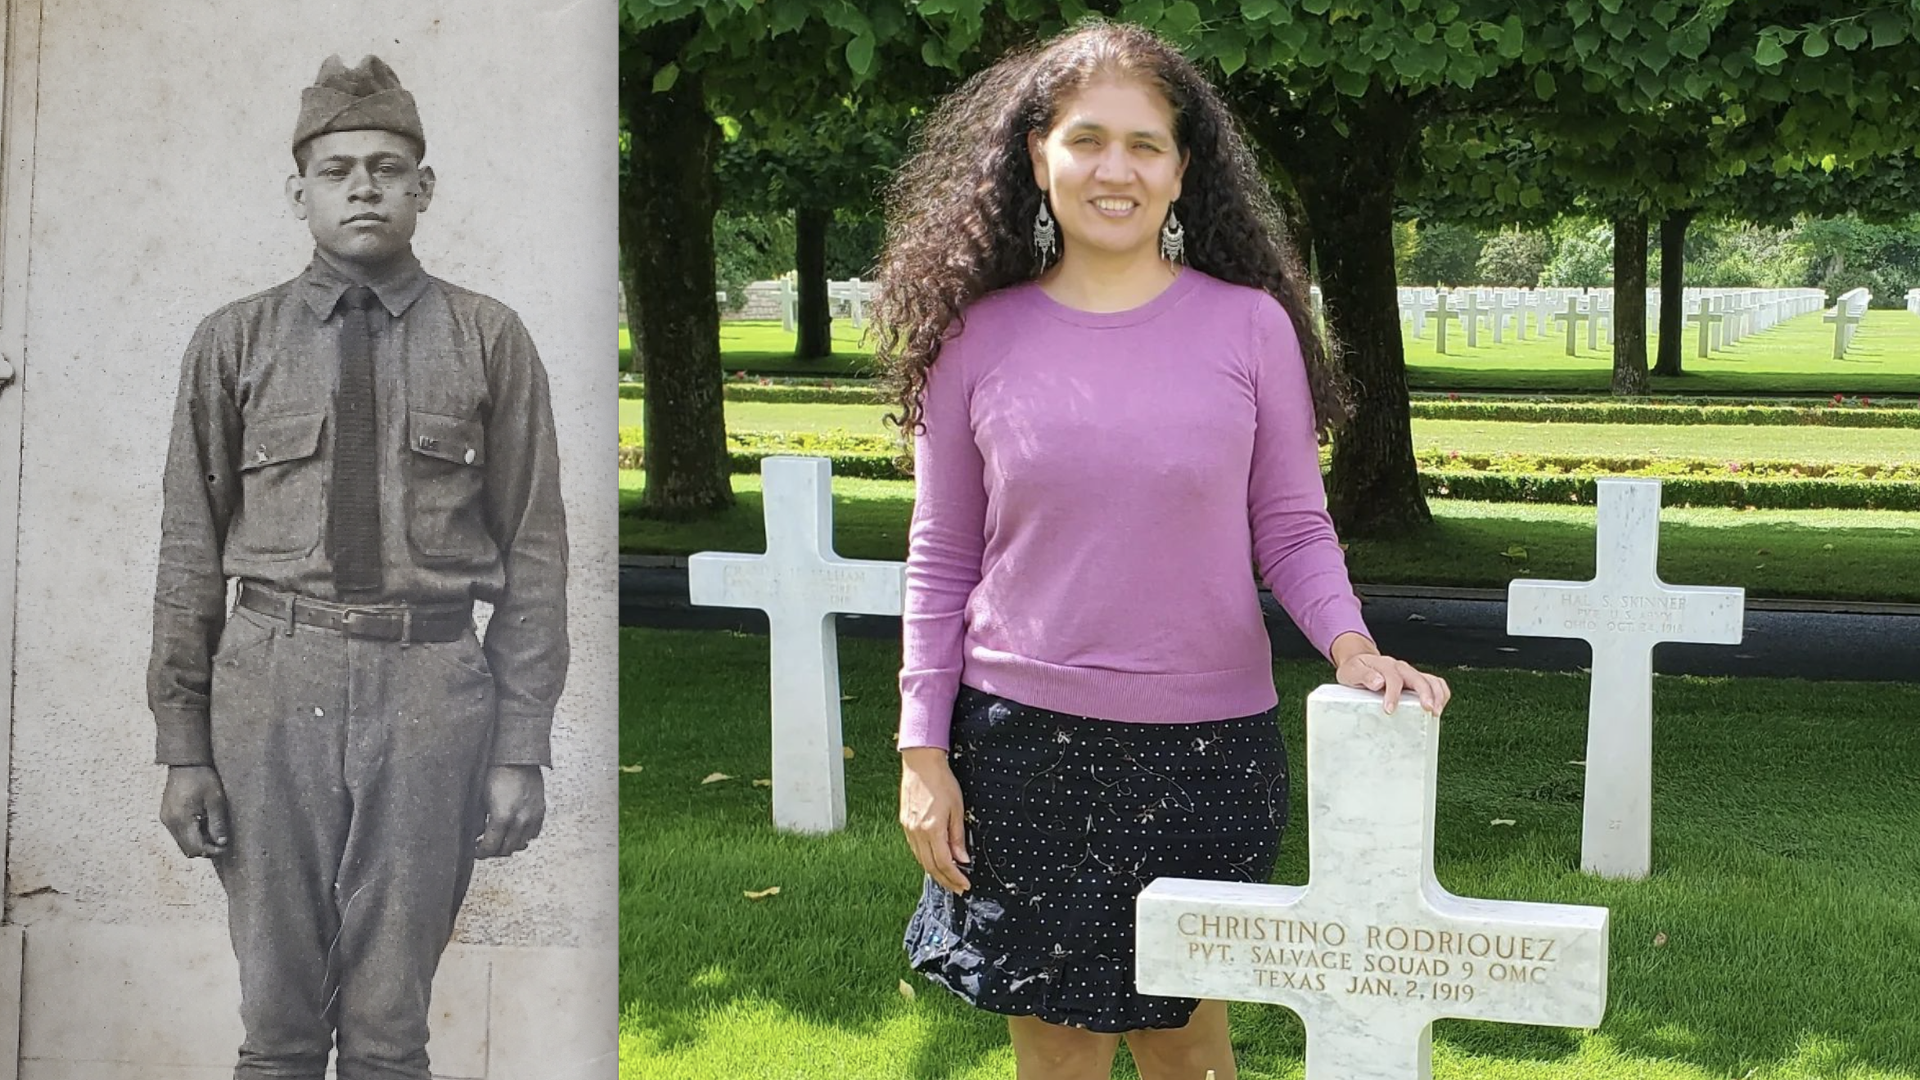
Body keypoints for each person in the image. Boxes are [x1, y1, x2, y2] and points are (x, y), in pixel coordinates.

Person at [875, 21, 1451, 1080]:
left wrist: (1352, 646)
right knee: (1058, 1056)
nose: (1116, 169)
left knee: (1186, 1048)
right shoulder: (974, 336)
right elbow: (942, 555)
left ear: (1184, 172)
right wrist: (922, 750)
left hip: (1207, 754)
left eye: (1146, 145)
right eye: (1087, 139)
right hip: (1019, 749)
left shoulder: (1251, 329)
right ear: (1036, 155)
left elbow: (1290, 525)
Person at [146, 55, 568, 1080]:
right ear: (301, 194)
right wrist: (183, 743)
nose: (365, 186)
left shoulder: (489, 339)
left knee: (388, 1024)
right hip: (269, 685)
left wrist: (521, 746)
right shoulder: (233, 342)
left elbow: (535, 552)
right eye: (338, 170)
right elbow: (189, 550)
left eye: (388, 167)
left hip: (429, 687)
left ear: (425, 190)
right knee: (278, 1013)